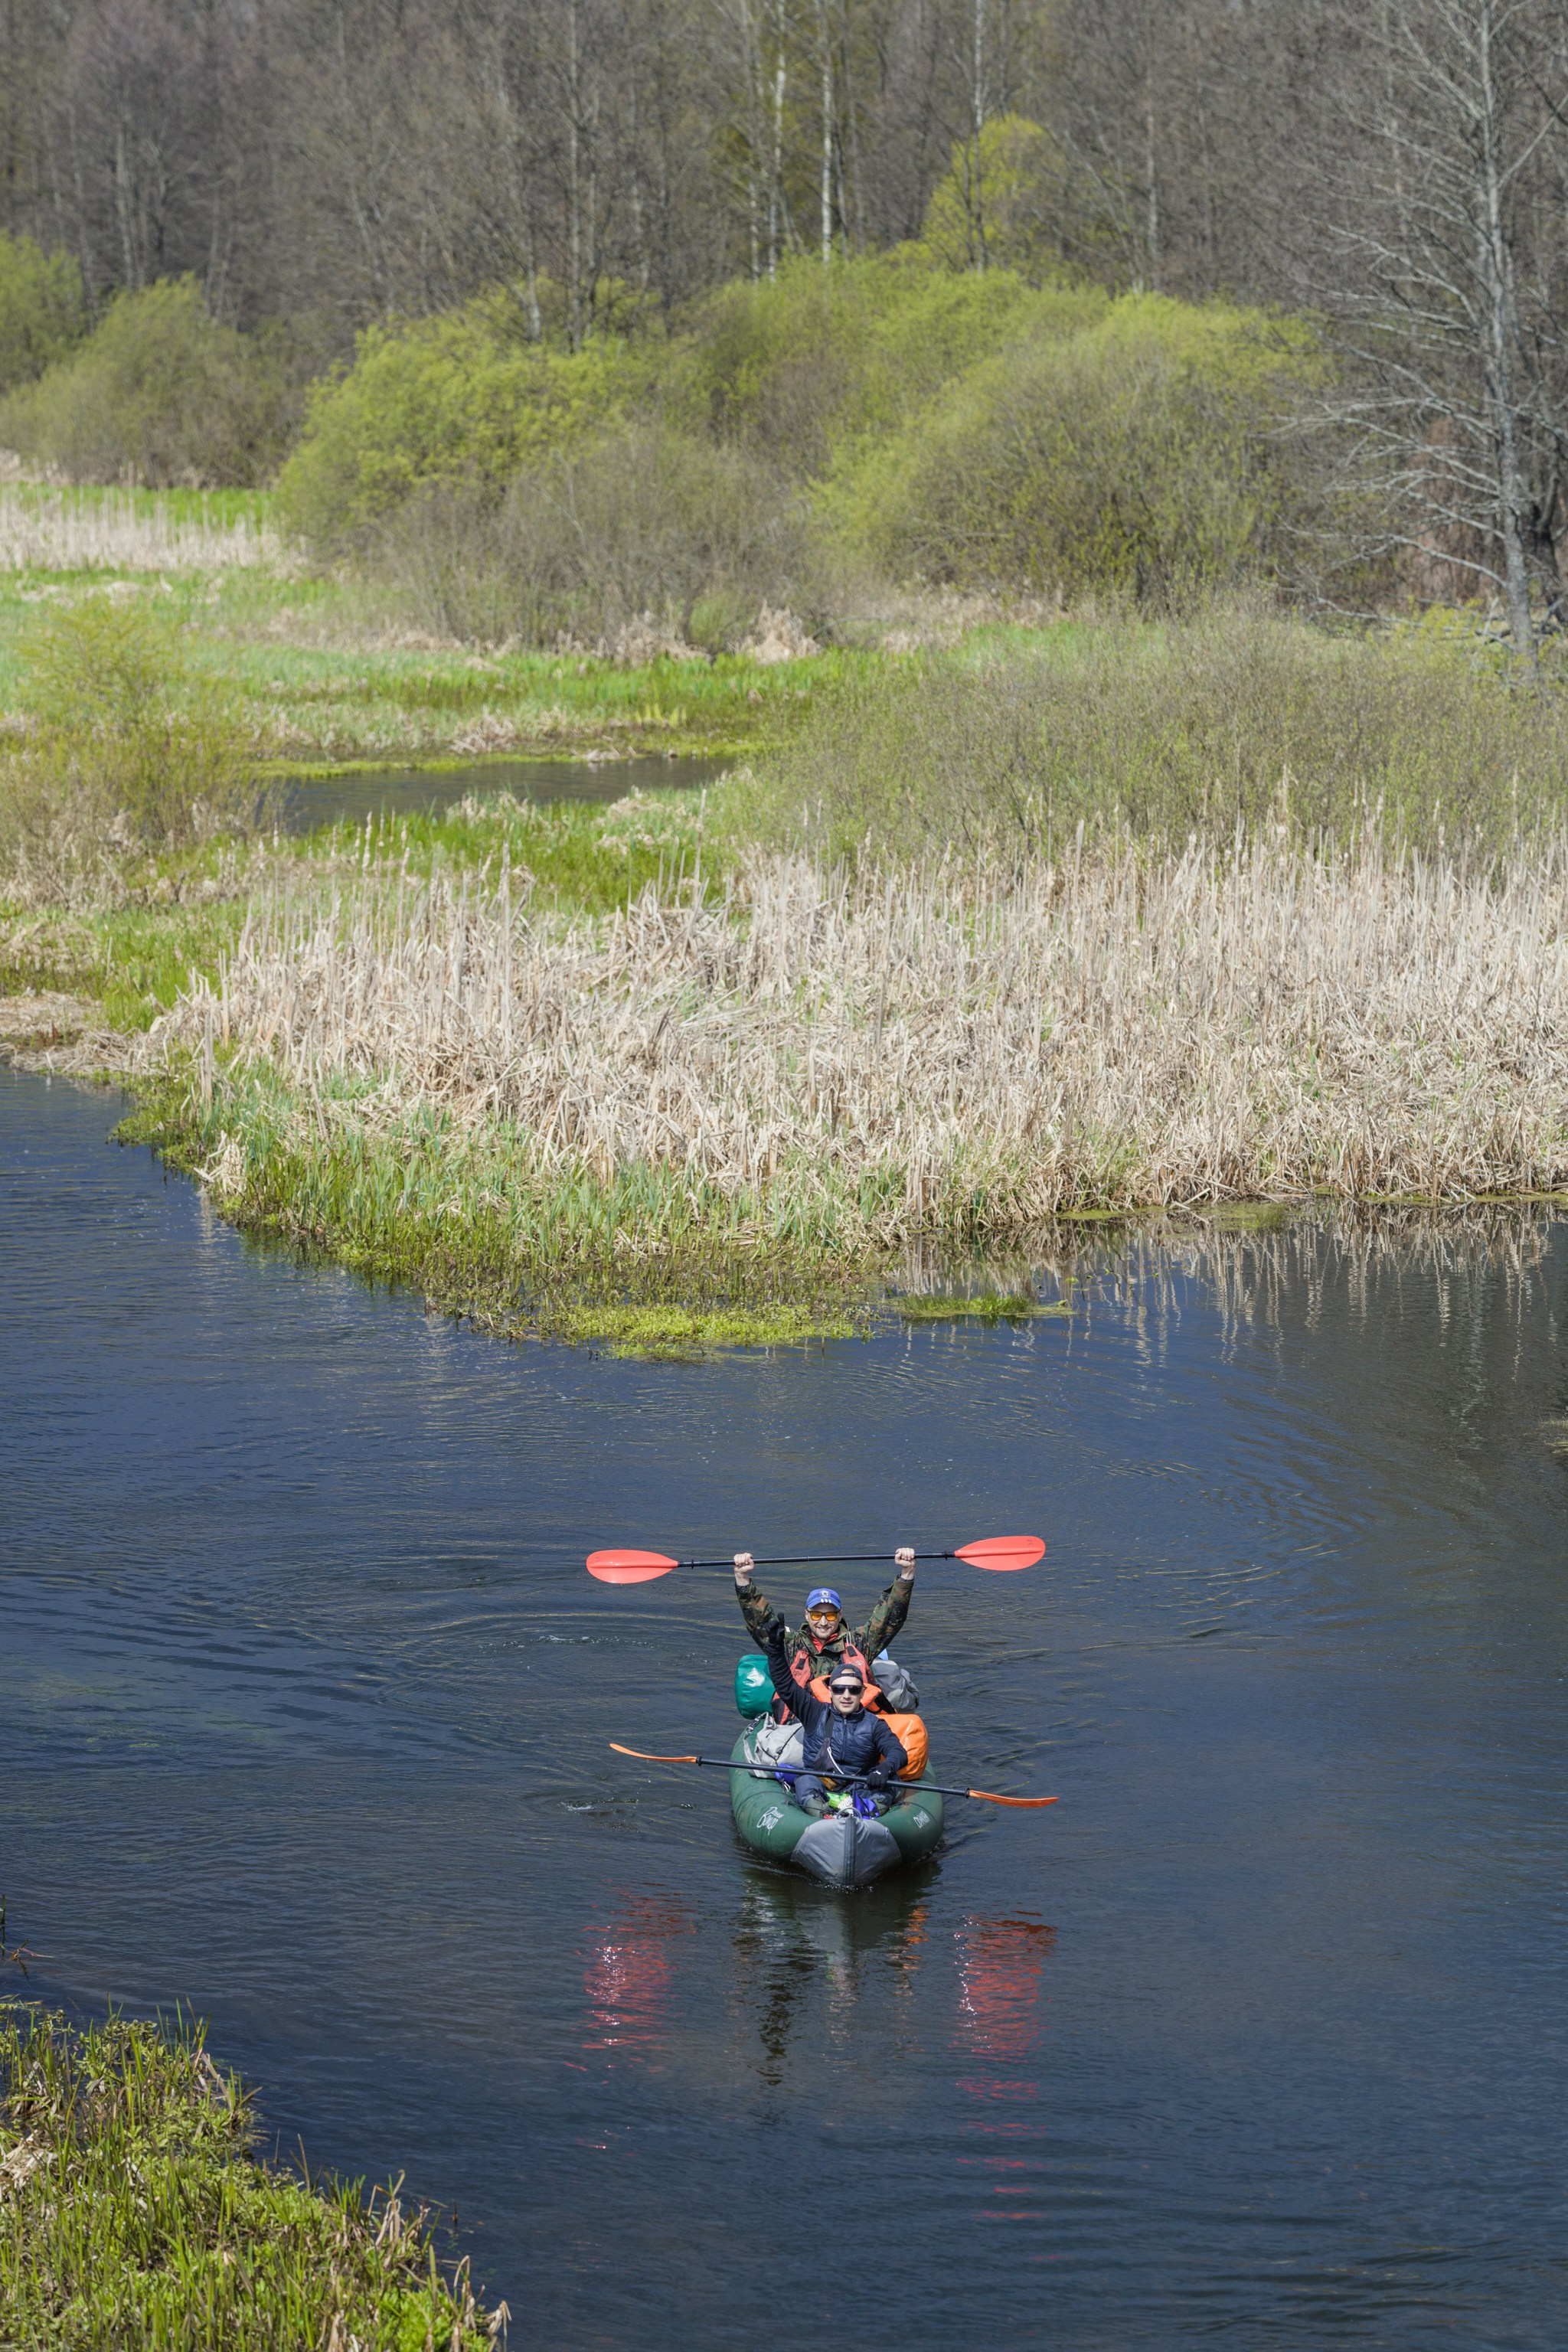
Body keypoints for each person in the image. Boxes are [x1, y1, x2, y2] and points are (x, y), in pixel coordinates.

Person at [733, 1547, 916, 1705]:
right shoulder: (791, 1645)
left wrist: (906, 1575)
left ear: (840, 1615)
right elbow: (760, 1622)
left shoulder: (859, 1643)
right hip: (804, 1724)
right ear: (806, 1614)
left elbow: (889, 1618)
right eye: (815, 1615)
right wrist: (742, 1578)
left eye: (830, 1615)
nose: (823, 1622)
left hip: (849, 1725)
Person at [760, 1625, 908, 1816]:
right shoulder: (814, 1712)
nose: (846, 1695)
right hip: (821, 1787)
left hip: (861, 1790)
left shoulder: (874, 1724)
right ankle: (823, 1815)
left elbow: (898, 1752)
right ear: (830, 1691)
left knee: (891, 1781)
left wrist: (884, 1769)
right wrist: (775, 1648)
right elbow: (785, 1686)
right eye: (839, 1689)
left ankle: (867, 1811)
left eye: (853, 1690)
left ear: (862, 1692)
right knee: (806, 1779)